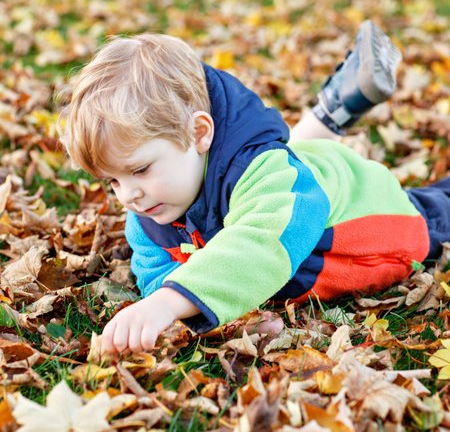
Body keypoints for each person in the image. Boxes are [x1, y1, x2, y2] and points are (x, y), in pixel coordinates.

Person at [59, 22, 450, 354]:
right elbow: (157, 274)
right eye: (113, 180)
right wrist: (167, 307)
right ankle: (333, 108)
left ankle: (333, 112)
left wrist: (169, 301)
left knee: (436, 214)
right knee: (271, 168)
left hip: (371, 214)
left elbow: (260, 244)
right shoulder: (150, 208)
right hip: (295, 172)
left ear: (198, 133)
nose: (128, 195)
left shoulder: (264, 177)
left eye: (140, 170)